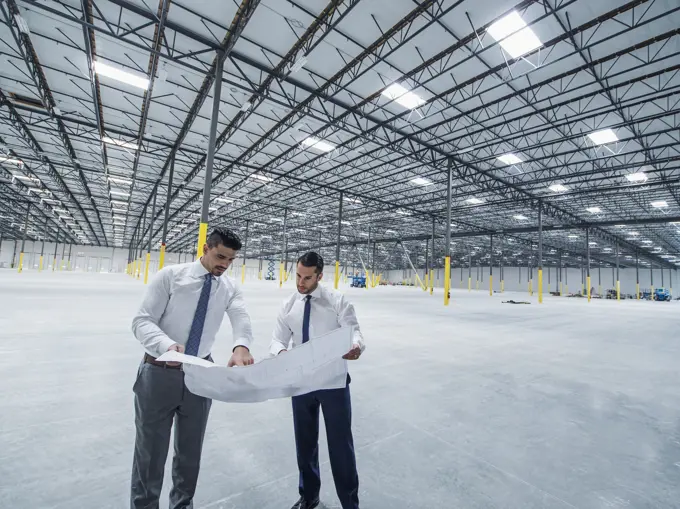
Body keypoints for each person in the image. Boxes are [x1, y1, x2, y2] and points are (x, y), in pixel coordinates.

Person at [130, 227, 255, 509]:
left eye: (231, 259)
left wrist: (241, 346)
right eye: (220, 256)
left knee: (189, 454)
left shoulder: (230, 288)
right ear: (205, 249)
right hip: (159, 373)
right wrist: (166, 345)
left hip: (200, 375)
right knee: (149, 455)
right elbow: (142, 321)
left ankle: (182, 505)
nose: (224, 264)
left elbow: (241, 317)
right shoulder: (170, 277)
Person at [270, 252, 365, 509]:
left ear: (319, 276)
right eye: (298, 275)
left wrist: (355, 347)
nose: (301, 282)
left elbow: (354, 332)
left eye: (307, 277)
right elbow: (277, 339)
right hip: (301, 384)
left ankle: (349, 503)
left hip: (333, 383)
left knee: (341, 447)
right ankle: (309, 497)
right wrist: (280, 353)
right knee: (305, 444)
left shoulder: (337, 301)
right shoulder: (289, 305)